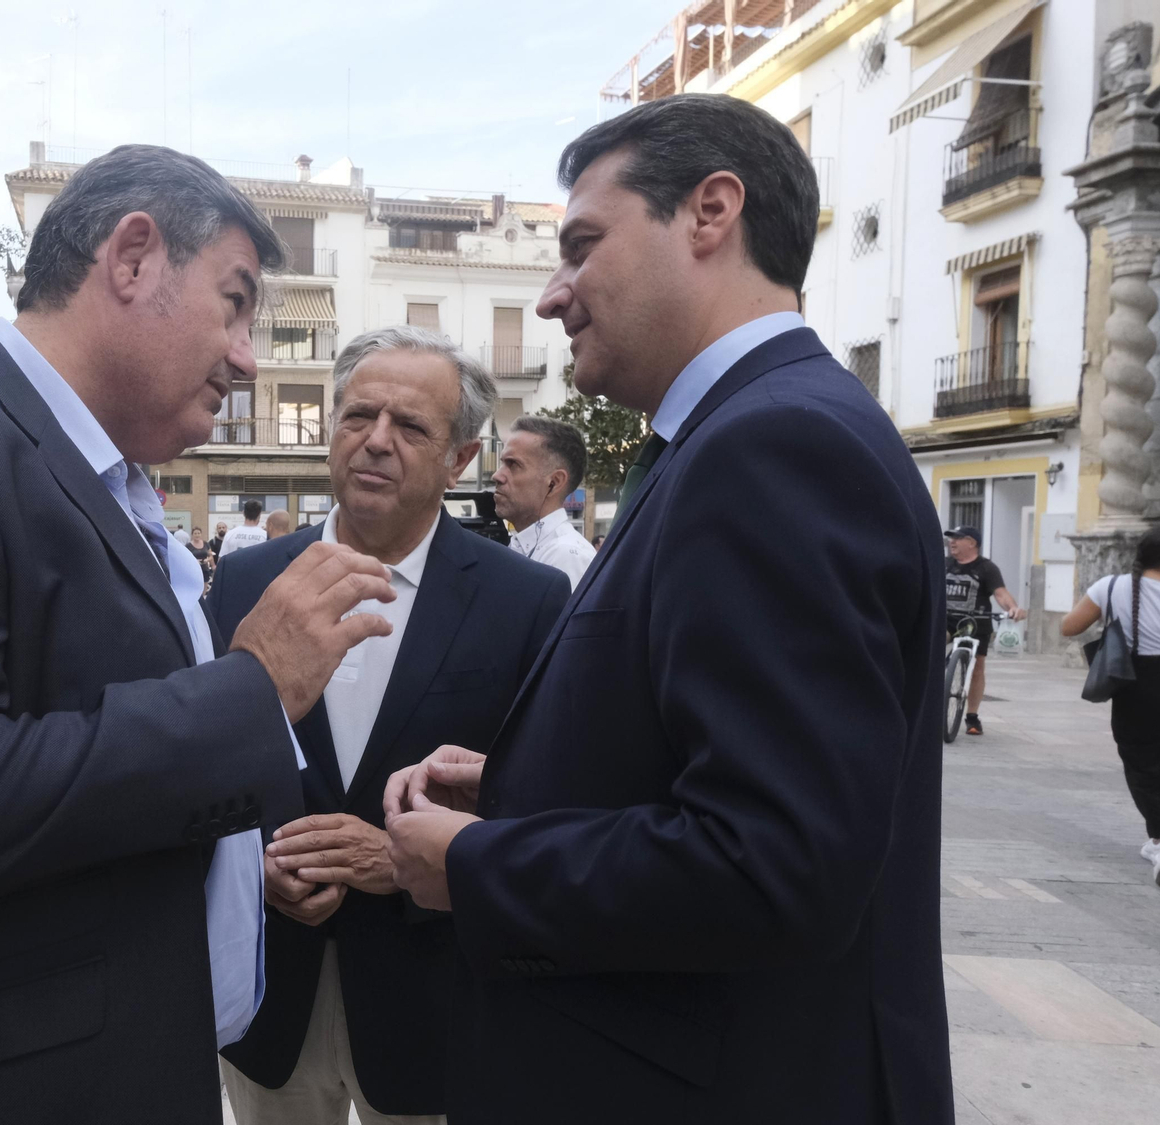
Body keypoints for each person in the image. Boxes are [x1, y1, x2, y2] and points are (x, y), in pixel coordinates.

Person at [0, 144, 398, 1124]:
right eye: (233, 303)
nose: (248, 355)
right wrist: (253, 688)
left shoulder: (117, 492)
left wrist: (231, 864)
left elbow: (91, 768)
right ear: (133, 257)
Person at [384, 94, 955, 1124]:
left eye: (581, 246)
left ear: (709, 212)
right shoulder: (743, 436)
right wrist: (518, 785)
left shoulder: (772, 448)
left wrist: (478, 863)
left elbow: (775, 863)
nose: (553, 297)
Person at [211, 327, 569, 1125]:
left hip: (430, 1000)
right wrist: (252, 865)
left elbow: (548, 796)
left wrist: (407, 858)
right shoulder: (246, 579)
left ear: (461, 459)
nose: (375, 441)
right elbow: (204, 762)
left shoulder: (527, 600)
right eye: (358, 415)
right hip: (272, 995)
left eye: (409, 426)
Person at [1061, 526, 1160, 886]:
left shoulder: (1112, 587)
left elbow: (1069, 627)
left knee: (1143, 763)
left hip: (1139, 688)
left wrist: (1116, 620)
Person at [491, 415, 596, 592]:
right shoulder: (523, 547)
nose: (497, 476)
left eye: (513, 464)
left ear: (554, 482)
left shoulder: (566, 556)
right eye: (502, 463)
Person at [944, 525, 1026, 736]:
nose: (952, 542)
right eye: (951, 539)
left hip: (976, 621)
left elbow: (1000, 594)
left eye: (957, 538)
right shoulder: (944, 564)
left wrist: (1013, 608)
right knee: (930, 647)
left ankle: (972, 716)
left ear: (972, 543)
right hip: (948, 620)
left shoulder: (987, 568)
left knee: (978, 665)